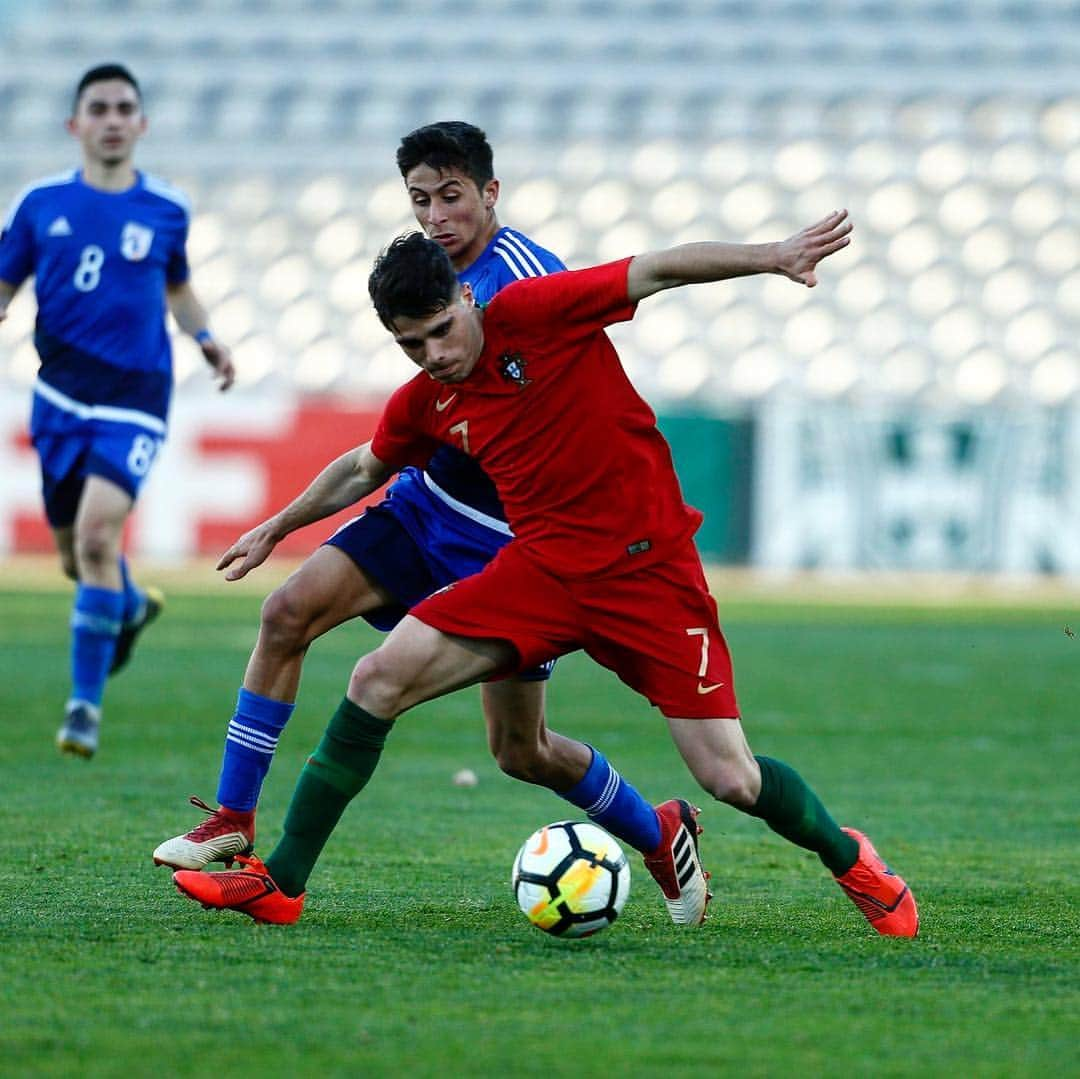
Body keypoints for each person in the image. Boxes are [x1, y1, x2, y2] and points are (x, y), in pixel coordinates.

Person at [172, 212, 920, 938]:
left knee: (732, 779)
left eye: (440, 329)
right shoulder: (428, 401)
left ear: (468, 297)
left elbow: (655, 269)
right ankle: (283, 883)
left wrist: (774, 254)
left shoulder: (533, 310)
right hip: (542, 572)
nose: (433, 353)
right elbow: (366, 466)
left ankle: (849, 857)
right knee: (377, 678)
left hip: (648, 572)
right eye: (411, 344)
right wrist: (278, 525)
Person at [153, 122, 713, 927]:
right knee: (286, 613)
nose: (436, 216)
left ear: (490, 192)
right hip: (426, 507)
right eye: (421, 200)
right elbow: (391, 442)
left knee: (521, 750)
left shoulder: (522, 283)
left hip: (511, 540)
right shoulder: (424, 278)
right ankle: (233, 823)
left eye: (451, 196)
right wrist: (278, 524)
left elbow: (568, 395)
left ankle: (658, 833)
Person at [0, 63, 234, 758]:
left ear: (141, 124)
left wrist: (207, 339)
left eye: (123, 107)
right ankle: (128, 604)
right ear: (76, 124)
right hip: (59, 396)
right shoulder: (41, 203)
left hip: (136, 395)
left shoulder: (166, 208)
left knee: (101, 538)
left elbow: (179, 288)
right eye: (97, 107)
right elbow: (6, 279)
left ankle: (83, 709)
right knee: (77, 558)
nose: (110, 118)